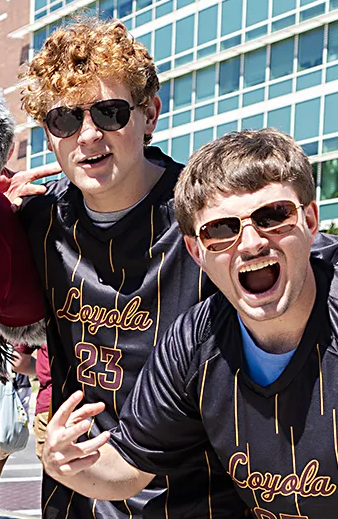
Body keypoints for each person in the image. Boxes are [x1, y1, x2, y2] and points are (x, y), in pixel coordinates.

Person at [8, 18, 249, 518]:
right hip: (77, 487)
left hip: (198, 495)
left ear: (150, 115)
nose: (89, 135)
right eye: (65, 120)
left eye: (111, 112)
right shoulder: (35, 220)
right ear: (49, 135)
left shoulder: (206, 215)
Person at [43, 128, 338, 517]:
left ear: (311, 220)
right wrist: (66, 463)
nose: (251, 243)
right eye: (221, 230)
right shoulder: (195, 342)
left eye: (273, 216)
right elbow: (129, 468)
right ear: (195, 251)